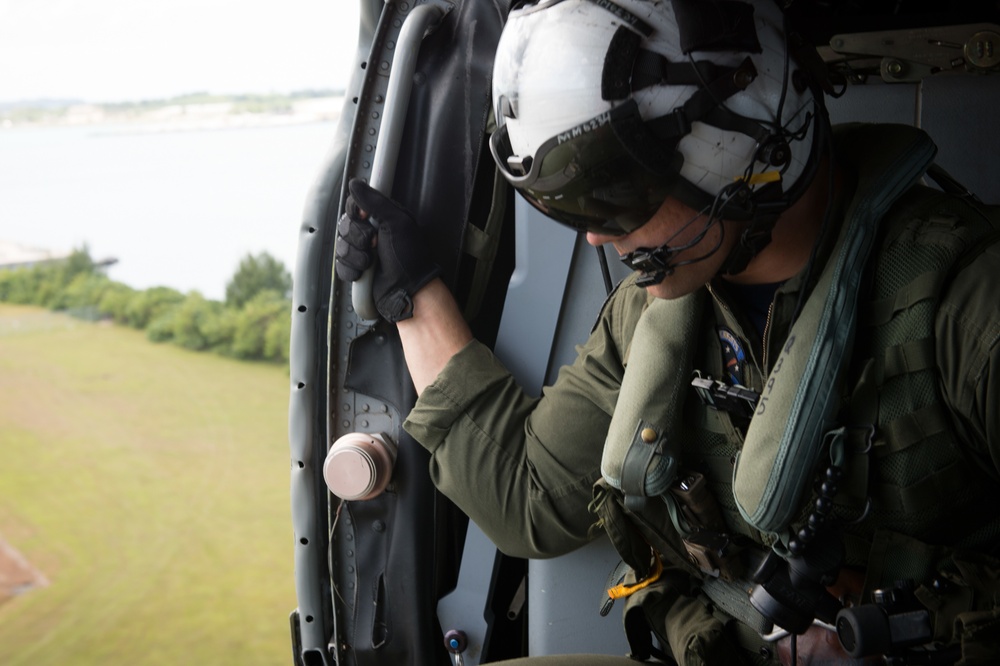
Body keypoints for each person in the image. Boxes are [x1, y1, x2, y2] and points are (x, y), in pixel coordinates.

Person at [335, 0, 1000, 664]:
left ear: (735, 148)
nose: (597, 235)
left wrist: (921, 618)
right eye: (570, 208)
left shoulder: (963, 299)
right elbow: (527, 497)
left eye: (615, 199)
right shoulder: (653, 316)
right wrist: (412, 294)